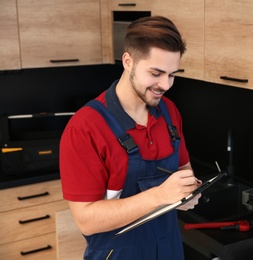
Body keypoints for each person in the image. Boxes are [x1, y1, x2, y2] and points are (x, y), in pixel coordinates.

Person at [59, 16, 201, 260]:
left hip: (169, 250)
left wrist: (189, 193)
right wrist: (160, 195)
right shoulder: (84, 128)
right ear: (128, 61)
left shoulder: (169, 112)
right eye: (156, 73)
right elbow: (86, 220)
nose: (165, 84)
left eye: (172, 74)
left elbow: (183, 171)